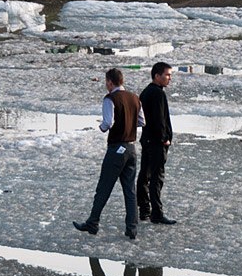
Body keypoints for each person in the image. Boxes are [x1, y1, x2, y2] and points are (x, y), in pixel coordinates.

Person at [73, 68, 144, 240]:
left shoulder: (110, 98)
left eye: (107, 82)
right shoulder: (135, 98)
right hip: (131, 149)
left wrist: (102, 127)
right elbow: (142, 121)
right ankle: (132, 229)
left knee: (104, 188)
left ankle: (92, 223)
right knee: (130, 191)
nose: (106, 85)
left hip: (116, 149)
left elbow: (107, 122)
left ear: (110, 82)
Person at [137, 62, 177, 225]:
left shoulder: (146, 92)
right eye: (167, 75)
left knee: (144, 175)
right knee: (156, 177)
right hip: (156, 142)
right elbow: (159, 119)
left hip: (147, 140)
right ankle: (157, 213)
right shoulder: (157, 94)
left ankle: (144, 210)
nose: (169, 78)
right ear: (157, 76)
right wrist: (164, 139)